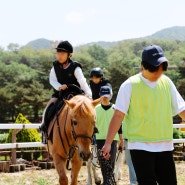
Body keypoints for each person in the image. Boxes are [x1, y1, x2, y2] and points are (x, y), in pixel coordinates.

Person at [101, 45, 185, 185]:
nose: (158, 73)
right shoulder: (129, 85)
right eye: (154, 69)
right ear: (143, 66)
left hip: (164, 145)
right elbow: (118, 116)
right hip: (140, 146)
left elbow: (182, 110)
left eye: (161, 68)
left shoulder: (167, 83)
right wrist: (108, 143)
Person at [40, 40, 92, 141]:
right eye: (58, 53)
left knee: (87, 111)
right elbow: (52, 80)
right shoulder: (54, 67)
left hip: (76, 93)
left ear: (69, 55)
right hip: (60, 93)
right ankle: (44, 128)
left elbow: (82, 82)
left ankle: (92, 132)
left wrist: (89, 95)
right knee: (49, 107)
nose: (59, 56)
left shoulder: (76, 67)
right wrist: (59, 87)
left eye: (62, 53)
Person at [95, 85, 123, 185]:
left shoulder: (115, 108)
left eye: (107, 95)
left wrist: (121, 140)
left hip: (113, 139)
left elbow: (119, 126)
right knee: (102, 161)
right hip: (99, 138)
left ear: (111, 95)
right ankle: (106, 180)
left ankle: (108, 181)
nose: (105, 98)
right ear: (100, 95)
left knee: (111, 161)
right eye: (103, 96)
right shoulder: (95, 109)